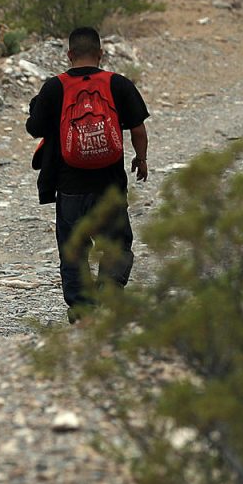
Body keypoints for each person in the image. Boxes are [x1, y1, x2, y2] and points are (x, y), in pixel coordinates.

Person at [27, 27, 149, 317]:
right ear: (101, 54)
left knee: (74, 249)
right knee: (118, 243)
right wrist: (141, 159)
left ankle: (81, 309)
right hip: (109, 184)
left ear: (69, 55)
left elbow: (35, 128)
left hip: (69, 186)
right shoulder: (118, 84)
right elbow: (138, 129)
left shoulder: (54, 87)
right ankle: (109, 293)